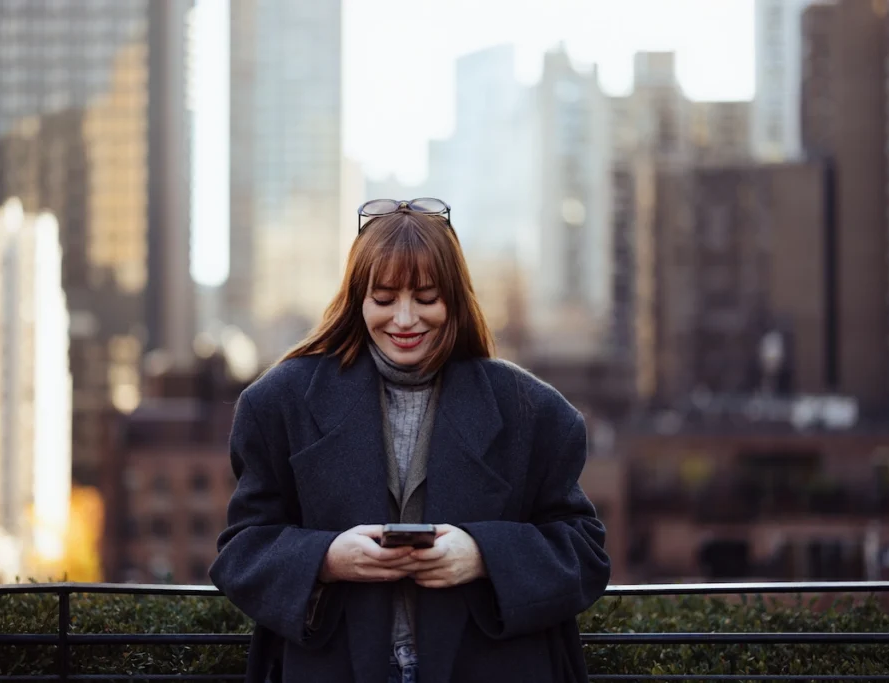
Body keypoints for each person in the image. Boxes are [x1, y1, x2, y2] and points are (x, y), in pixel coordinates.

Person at [209, 198, 611, 683]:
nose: (404, 319)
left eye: (426, 298)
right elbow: (241, 551)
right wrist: (327, 559)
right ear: (357, 299)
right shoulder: (277, 404)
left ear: (454, 299)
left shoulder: (537, 413)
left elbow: (585, 554)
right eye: (383, 299)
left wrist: (482, 556)